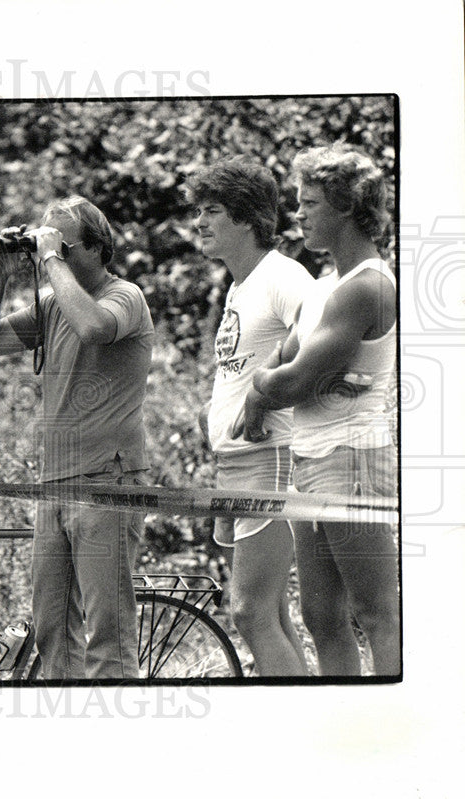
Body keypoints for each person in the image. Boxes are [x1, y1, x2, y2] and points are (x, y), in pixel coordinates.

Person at [0, 196, 153, 680]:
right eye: (47, 245)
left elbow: (92, 327)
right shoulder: (50, 306)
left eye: (64, 247)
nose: (52, 257)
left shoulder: (125, 296)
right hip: (55, 483)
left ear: (96, 248)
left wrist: (48, 259)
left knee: (107, 631)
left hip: (108, 480)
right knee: (51, 630)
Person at [233, 144, 398, 676]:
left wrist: (273, 387)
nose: (297, 215)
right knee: (321, 616)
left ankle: (388, 726)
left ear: (348, 207)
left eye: (310, 204)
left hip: (352, 459)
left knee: (375, 614)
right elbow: (275, 372)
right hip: (311, 461)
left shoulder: (366, 286)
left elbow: (289, 381)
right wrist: (275, 384)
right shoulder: (322, 287)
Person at [188, 157, 311, 676]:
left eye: (211, 210)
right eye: (198, 210)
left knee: (248, 611)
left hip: (272, 455)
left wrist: (262, 395)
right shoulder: (241, 285)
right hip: (235, 460)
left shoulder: (282, 275)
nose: (199, 223)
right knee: (271, 611)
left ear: (247, 218)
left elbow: (319, 332)